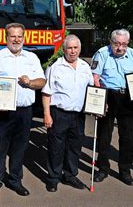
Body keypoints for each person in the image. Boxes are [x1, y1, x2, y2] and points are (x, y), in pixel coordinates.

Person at [0, 22, 46, 200]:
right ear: (7, 38)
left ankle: (15, 180)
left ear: (24, 37)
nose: (17, 39)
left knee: (20, 148)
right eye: (13, 36)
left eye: (20, 36)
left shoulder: (32, 58)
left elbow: (41, 81)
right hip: (3, 112)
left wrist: (30, 83)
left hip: (25, 111)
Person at [91, 29, 133, 186]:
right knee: (104, 135)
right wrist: (100, 98)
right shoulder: (101, 54)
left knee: (128, 137)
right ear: (111, 42)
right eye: (116, 44)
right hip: (108, 96)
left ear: (128, 43)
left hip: (128, 98)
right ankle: (103, 169)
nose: (120, 48)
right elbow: (95, 78)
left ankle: (125, 171)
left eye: (123, 44)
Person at [42, 35, 94, 192]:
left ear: (79, 49)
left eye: (75, 48)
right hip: (59, 113)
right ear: (64, 50)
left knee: (75, 146)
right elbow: (46, 93)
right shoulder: (55, 67)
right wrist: (46, 114)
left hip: (78, 115)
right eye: (69, 48)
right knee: (56, 147)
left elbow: (92, 90)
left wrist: (98, 106)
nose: (73, 51)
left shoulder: (85, 67)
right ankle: (53, 177)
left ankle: (70, 175)